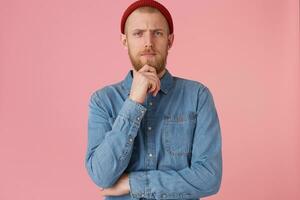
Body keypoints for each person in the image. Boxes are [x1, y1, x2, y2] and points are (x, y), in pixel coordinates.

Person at [85, 0, 222, 199]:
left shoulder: (197, 96)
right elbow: (101, 176)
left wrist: (132, 183)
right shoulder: (102, 101)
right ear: (125, 41)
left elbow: (209, 177)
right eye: (138, 33)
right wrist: (133, 102)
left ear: (170, 40)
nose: (148, 42)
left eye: (157, 33)